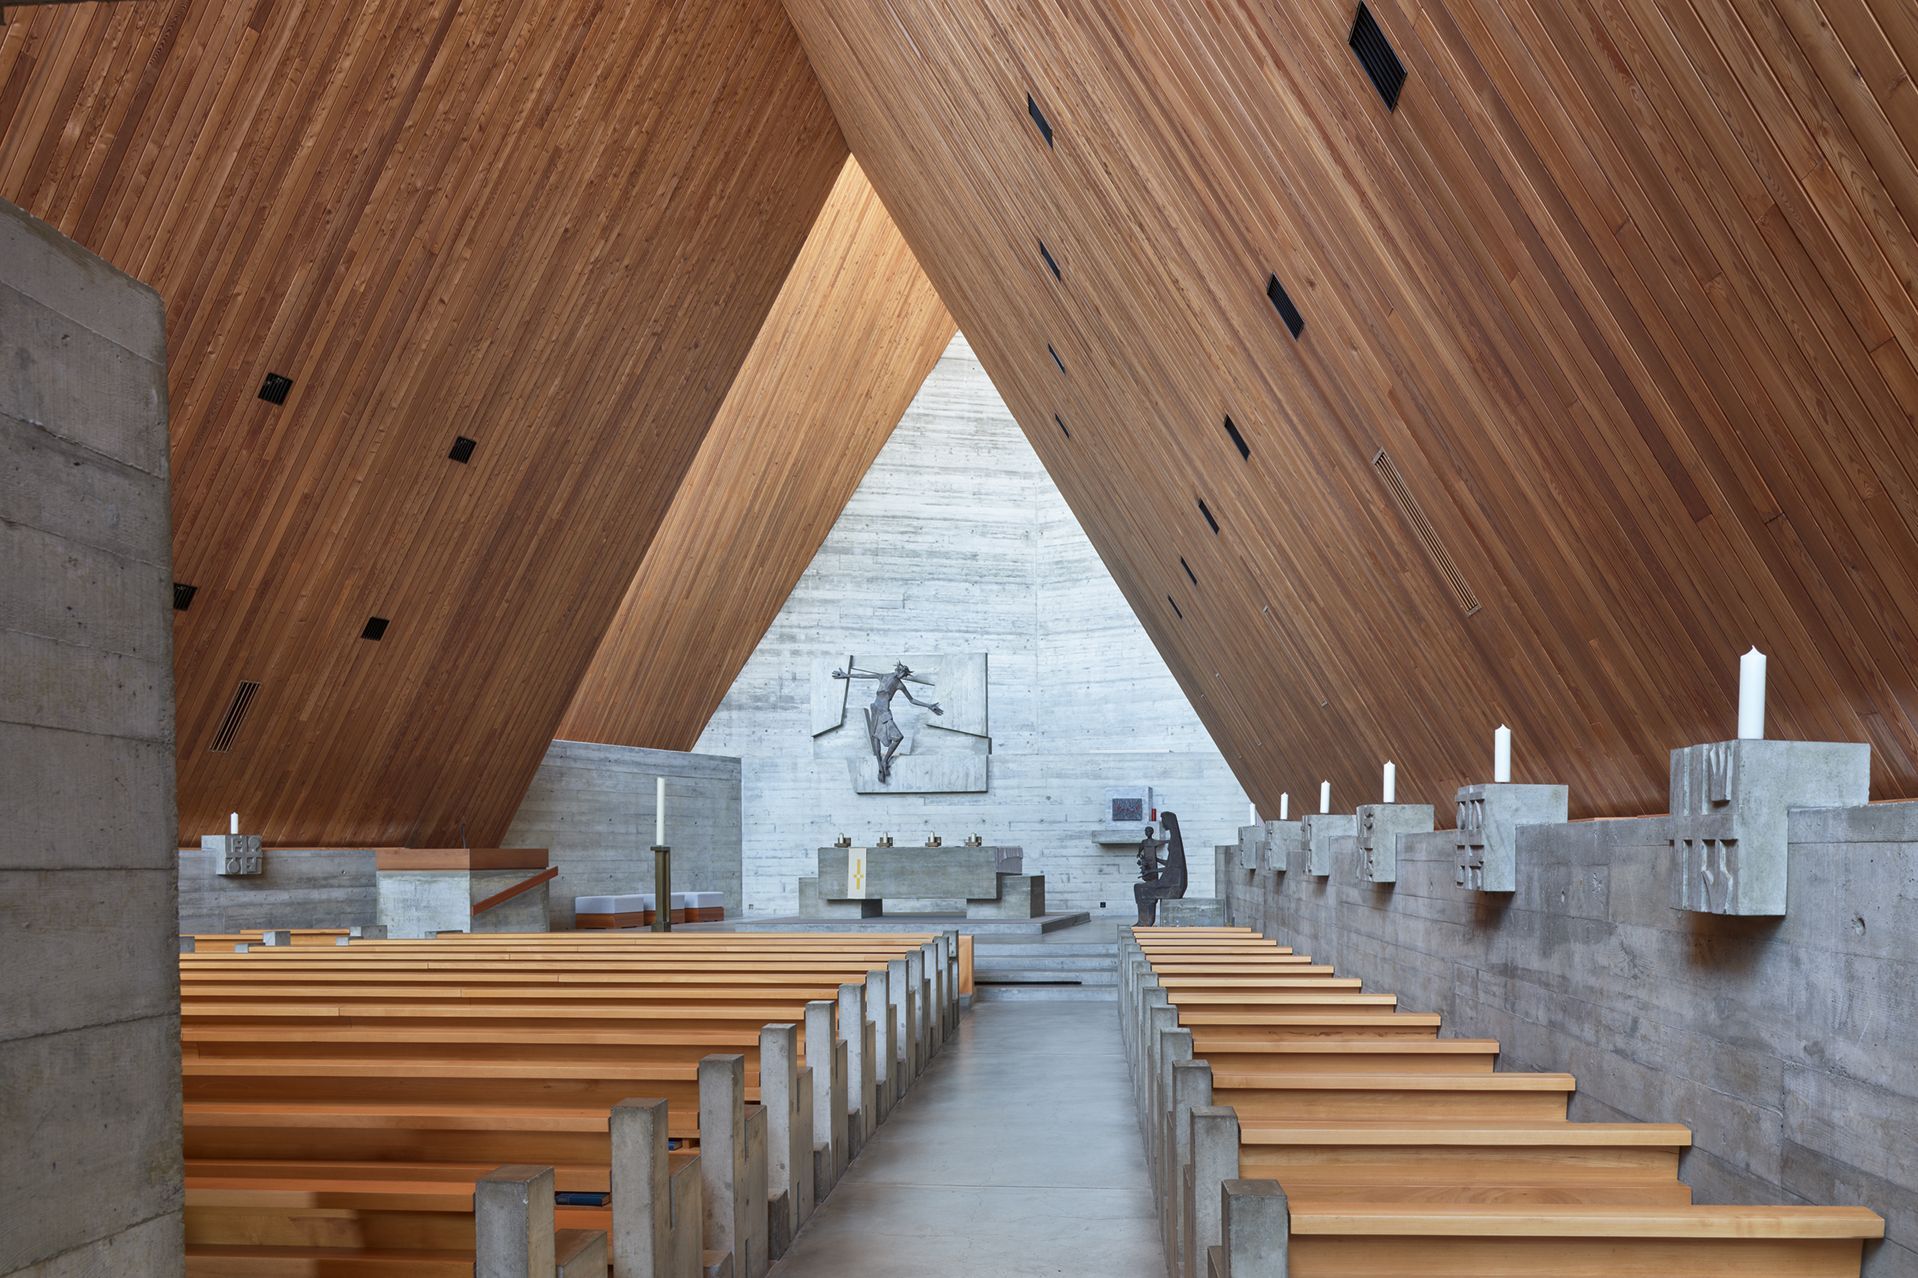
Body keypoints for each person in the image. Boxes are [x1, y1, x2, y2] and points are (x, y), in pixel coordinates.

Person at [832, 662, 943, 783]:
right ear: (898, 670)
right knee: (875, 737)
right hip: (876, 710)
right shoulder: (883, 676)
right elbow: (863, 676)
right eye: (902, 673)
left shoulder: (899, 684)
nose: (902, 676)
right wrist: (846, 675)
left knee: (898, 737)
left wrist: (928, 706)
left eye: (904, 675)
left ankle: (885, 761)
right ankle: (880, 766)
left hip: (885, 712)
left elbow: (911, 700)